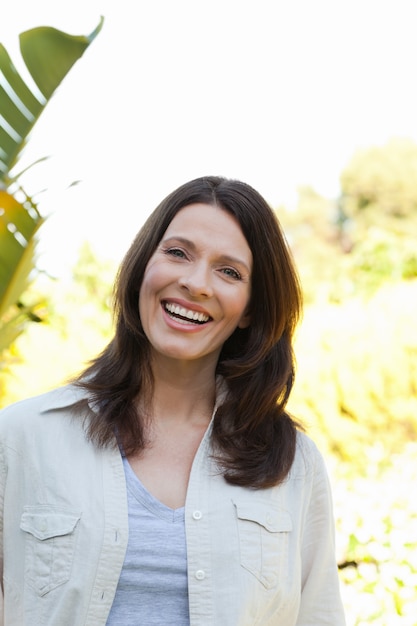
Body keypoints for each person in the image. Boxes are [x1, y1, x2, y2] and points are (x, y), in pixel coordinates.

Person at [0, 175, 346, 625]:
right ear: (144, 265)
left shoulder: (293, 465)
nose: (196, 283)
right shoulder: (22, 438)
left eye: (229, 271)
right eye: (178, 253)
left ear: (251, 310)